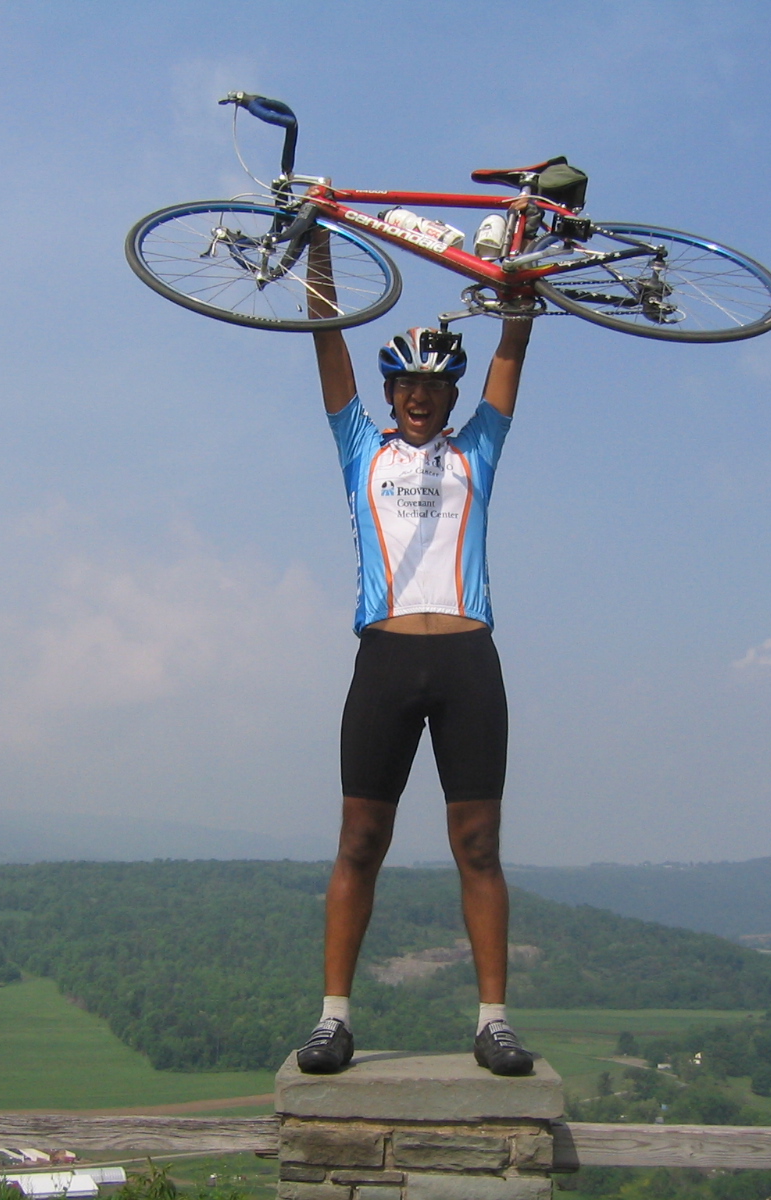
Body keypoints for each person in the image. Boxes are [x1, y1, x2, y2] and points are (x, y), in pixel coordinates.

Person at [294, 228, 534, 1077]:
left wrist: (522, 281)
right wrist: (315, 251)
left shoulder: (478, 451)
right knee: (361, 838)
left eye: (435, 385)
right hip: (386, 662)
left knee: (478, 844)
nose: (421, 398)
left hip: (469, 663)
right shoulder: (363, 449)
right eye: (408, 385)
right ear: (391, 392)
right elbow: (327, 339)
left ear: (448, 393)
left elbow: (512, 347)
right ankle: (333, 1019)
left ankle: (494, 1020)